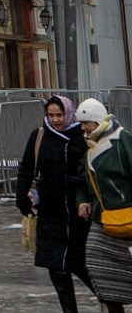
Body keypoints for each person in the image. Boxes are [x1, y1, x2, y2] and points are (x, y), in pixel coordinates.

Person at [20, 92, 93, 310]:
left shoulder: (82, 137)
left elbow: (91, 169)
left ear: (69, 114)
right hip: (49, 211)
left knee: (81, 263)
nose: (55, 120)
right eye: (51, 115)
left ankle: (109, 300)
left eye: (59, 115)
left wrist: (79, 185)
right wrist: (22, 198)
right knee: (56, 266)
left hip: (77, 211)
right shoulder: (40, 136)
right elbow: (26, 168)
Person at [82, 98, 132, 313]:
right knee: (97, 265)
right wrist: (83, 200)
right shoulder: (90, 146)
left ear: (97, 120)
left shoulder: (122, 140)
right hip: (103, 219)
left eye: (87, 123)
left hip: (129, 218)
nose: (83, 128)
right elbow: (85, 180)